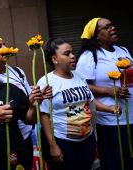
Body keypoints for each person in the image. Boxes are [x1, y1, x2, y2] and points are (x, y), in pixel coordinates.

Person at [38, 38, 119, 170]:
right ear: (54, 59)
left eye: (72, 52)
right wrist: (52, 145)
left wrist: (109, 108)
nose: (73, 56)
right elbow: (44, 115)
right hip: (63, 141)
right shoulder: (46, 81)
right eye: (67, 53)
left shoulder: (79, 76)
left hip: (87, 139)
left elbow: (91, 101)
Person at [76, 17, 133, 170]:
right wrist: (109, 91)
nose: (113, 28)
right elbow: (82, 86)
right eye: (107, 27)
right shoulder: (90, 56)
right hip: (111, 119)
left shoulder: (123, 50)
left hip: (131, 116)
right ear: (97, 36)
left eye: (112, 25)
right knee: (115, 161)